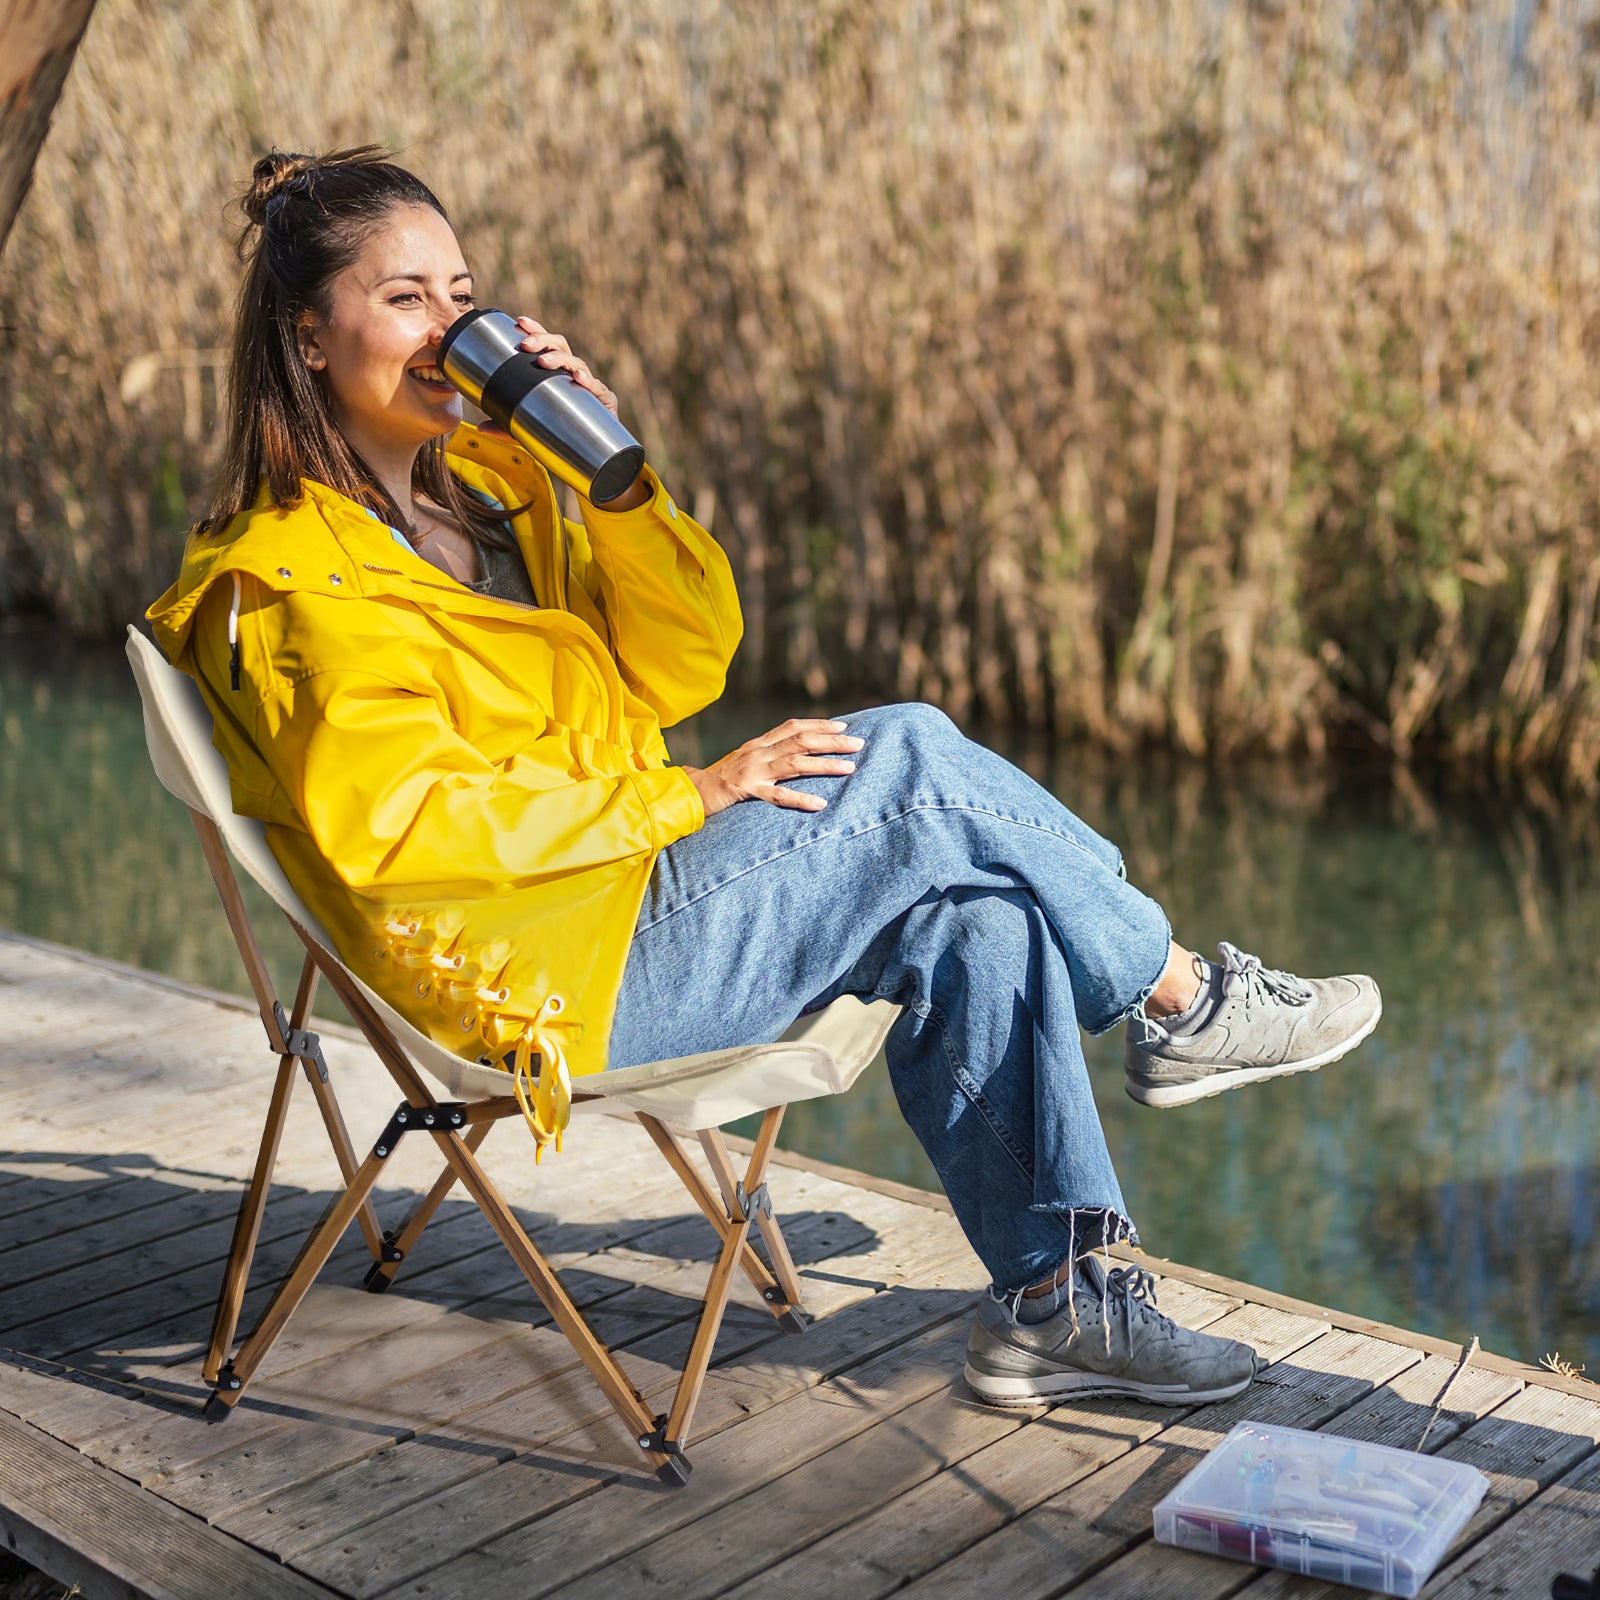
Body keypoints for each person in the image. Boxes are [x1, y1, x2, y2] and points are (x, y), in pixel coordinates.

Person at [147, 147, 1382, 1412]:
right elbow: (402, 829)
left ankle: (1056, 1305)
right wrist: (688, 800)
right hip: (531, 974)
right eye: (405, 299)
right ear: (309, 338)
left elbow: (686, 660)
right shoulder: (295, 581)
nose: (449, 328)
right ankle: (1181, 999)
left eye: (462, 295)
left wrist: (612, 479)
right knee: (903, 758)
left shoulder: (503, 496)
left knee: (982, 912)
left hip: (623, 896)